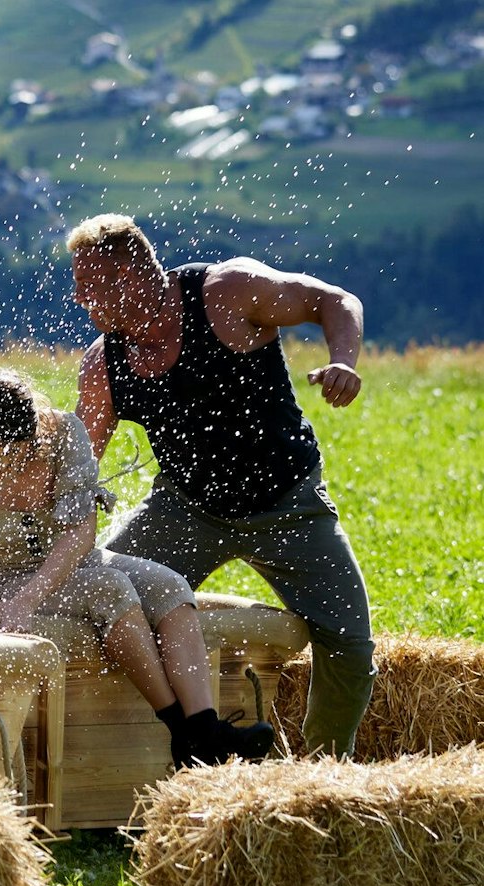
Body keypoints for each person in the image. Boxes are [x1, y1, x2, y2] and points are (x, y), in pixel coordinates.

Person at [0, 371, 275, 767]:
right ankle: (184, 733)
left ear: (34, 432)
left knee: (169, 584)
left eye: (11, 452)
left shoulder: (65, 435)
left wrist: (28, 599)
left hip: (71, 565)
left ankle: (204, 727)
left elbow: (81, 532)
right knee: (108, 587)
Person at [68, 214, 374, 756]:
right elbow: (78, 470)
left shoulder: (226, 292)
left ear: (128, 277)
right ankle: (175, 744)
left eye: (88, 286)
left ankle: (321, 772)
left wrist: (343, 363)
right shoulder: (104, 365)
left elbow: (335, 299)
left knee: (349, 643)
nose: (78, 299)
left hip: (288, 506)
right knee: (99, 598)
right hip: (184, 512)